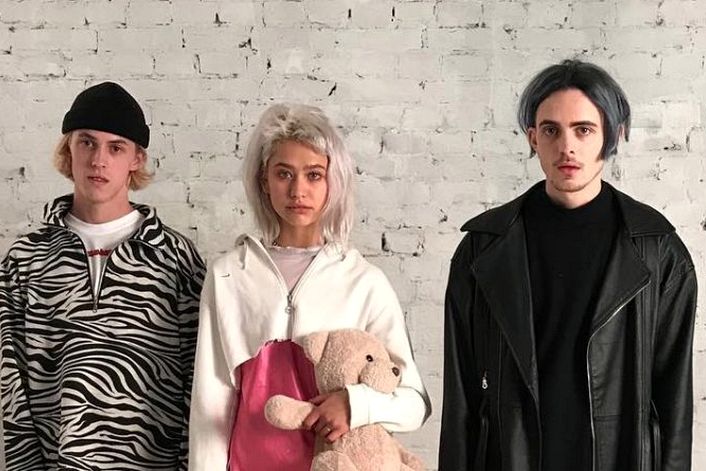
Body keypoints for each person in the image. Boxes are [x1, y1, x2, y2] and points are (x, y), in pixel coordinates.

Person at [439, 59, 696, 471]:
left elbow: (673, 401)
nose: (567, 147)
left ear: (613, 134)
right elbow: (460, 400)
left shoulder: (658, 251)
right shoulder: (483, 249)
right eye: (551, 130)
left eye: (584, 129)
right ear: (532, 138)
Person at [189, 103, 430, 470]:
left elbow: (414, 403)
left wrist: (355, 404)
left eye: (314, 175)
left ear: (333, 182)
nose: (298, 190)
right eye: (283, 174)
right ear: (264, 181)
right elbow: (211, 401)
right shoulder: (229, 276)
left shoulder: (364, 282)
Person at [0, 82, 206, 470]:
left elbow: (198, 382)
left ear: (136, 159)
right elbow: (13, 386)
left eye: (116, 148)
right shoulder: (25, 260)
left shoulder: (176, 258)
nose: (99, 160)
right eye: (87, 143)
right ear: (68, 149)